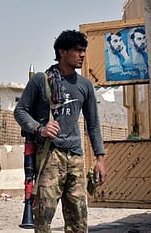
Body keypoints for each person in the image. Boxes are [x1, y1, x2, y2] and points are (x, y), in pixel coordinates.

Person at [14, 30, 107, 233]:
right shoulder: (41, 80)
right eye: (77, 50)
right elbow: (20, 111)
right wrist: (40, 128)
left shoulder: (85, 85)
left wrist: (100, 159)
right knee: (43, 220)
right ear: (62, 52)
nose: (82, 55)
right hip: (49, 155)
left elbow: (93, 124)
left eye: (84, 50)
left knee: (78, 221)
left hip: (75, 157)